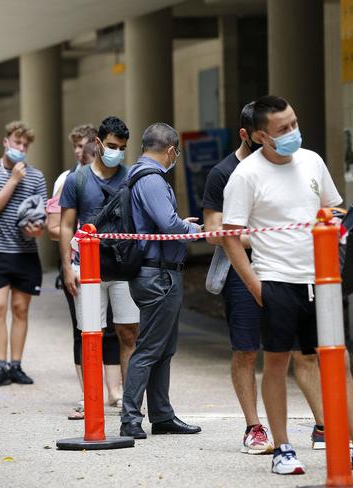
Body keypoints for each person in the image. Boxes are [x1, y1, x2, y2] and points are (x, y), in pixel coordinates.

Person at [222, 95, 342, 474]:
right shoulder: (244, 176)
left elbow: (333, 210)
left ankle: (342, 437)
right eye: (283, 129)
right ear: (261, 136)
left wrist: (334, 257)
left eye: (294, 123)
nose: (293, 132)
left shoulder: (313, 161)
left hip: (318, 280)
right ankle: (283, 448)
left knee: (328, 361)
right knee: (276, 363)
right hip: (276, 280)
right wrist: (259, 288)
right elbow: (229, 236)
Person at [119, 122, 202, 440]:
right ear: (170, 150)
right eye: (175, 152)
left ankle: (162, 414)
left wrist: (180, 224)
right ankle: (130, 418)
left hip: (154, 271)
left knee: (163, 348)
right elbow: (168, 225)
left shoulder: (135, 173)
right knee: (150, 348)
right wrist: (195, 231)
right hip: (159, 274)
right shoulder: (152, 178)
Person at [60, 117, 139, 417]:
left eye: (121, 148)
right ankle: (89, 398)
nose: (116, 152)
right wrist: (67, 267)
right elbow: (67, 225)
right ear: (97, 143)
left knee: (129, 332)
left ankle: (130, 400)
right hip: (87, 269)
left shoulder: (131, 177)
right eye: (111, 146)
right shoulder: (77, 180)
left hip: (123, 268)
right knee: (89, 333)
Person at [48, 126, 122, 420]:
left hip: (113, 261)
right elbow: (54, 227)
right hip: (79, 262)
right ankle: (87, 394)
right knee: (84, 329)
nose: (81, 150)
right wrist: (81, 239)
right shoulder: (67, 180)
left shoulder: (118, 176)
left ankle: (115, 392)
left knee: (115, 328)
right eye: (76, 146)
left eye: (85, 144)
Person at [0, 121, 48, 387]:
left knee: (20, 310)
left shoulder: (37, 177)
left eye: (25, 145)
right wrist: (14, 180)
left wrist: (35, 230)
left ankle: (16, 365)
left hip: (25, 254)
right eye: (17, 143)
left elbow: (39, 219)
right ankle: (0, 365)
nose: (21, 148)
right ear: (6, 141)